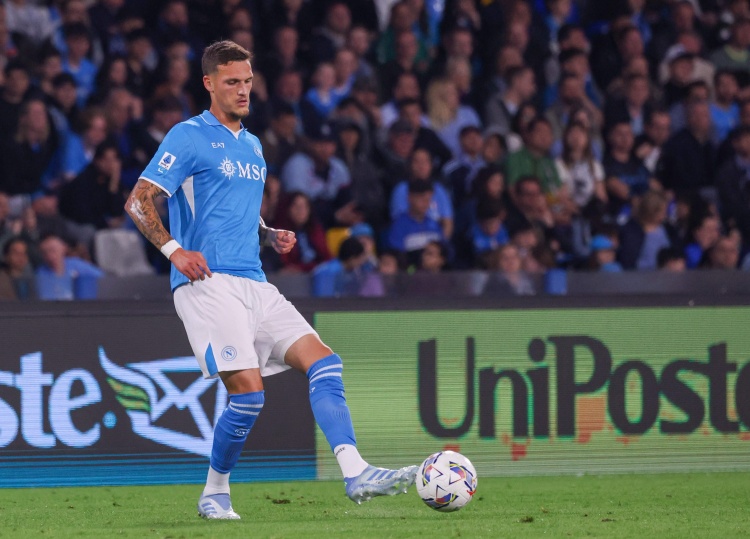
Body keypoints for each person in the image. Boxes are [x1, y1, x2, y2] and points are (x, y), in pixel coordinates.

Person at [123, 41, 417, 520]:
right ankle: (215, 493)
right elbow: (139, 200)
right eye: (232, 82)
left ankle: (356, 472)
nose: (243, 90)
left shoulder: (254, 145)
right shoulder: (188, 135)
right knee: (249, 396)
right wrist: (175, 251)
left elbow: (231, 207)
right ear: (209, 83)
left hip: (256, 282)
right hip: (208, 283)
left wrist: (266, 233)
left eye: (248, 81)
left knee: (325, 363)